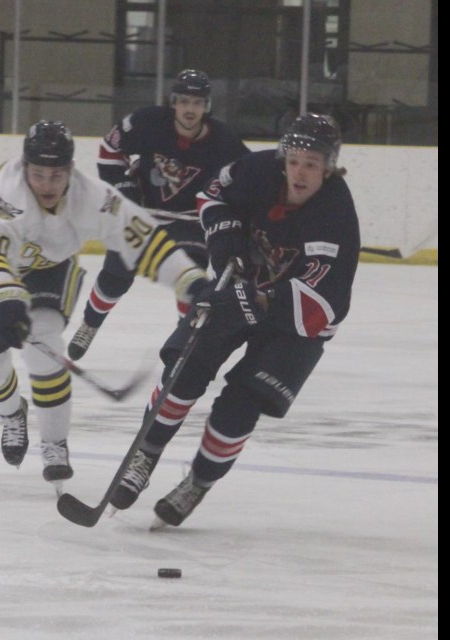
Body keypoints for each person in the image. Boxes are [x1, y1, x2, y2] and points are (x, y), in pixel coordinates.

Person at [109, 114, 361, 526]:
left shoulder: (335, 216)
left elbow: (322, 306)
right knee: (185, 369)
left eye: (312, 164)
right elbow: (212, 194)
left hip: (296, 324)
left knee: (241, 405)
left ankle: (199, 481)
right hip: (241, 285)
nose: (300, 172)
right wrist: (226, 244)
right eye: (295, 160)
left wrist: (256, 298)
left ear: (328, 168)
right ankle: (146, 453)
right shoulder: (258, 170)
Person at [0, 120, 209, 490]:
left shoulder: (93, 197)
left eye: (56, 175)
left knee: (44, 344)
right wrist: (6, 299)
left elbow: (143, 238)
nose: (47, 185)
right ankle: (12, 415)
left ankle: (54, 442)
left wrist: (190, 280)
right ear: (25, 168)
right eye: (38, 174)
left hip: (50, 272)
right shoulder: (4, 194)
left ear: (71, 170)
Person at [67, 69, 250, 361]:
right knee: (117, 273)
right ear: (174, 101)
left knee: (189, 276)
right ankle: (90, 324)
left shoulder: (224, 141)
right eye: (185, 101)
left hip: (192, 225)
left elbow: (246, 179)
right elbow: (109, 148)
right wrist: (124, 188)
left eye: (198, 103)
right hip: (144, 219)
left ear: (207, 106)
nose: (191, 109)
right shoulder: (148, 122)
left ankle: (184, 338)